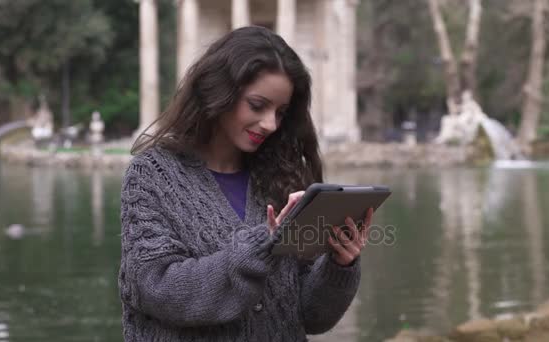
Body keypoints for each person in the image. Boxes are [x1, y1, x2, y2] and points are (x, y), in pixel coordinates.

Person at [119, 26, 375, 341]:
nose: (270, 124)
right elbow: (156, 288)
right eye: (257, 105)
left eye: (281, 112)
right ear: (219, 92)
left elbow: (311, 317)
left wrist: (338, 264)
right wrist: (262, 245)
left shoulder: (284, 177)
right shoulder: (153, 175)